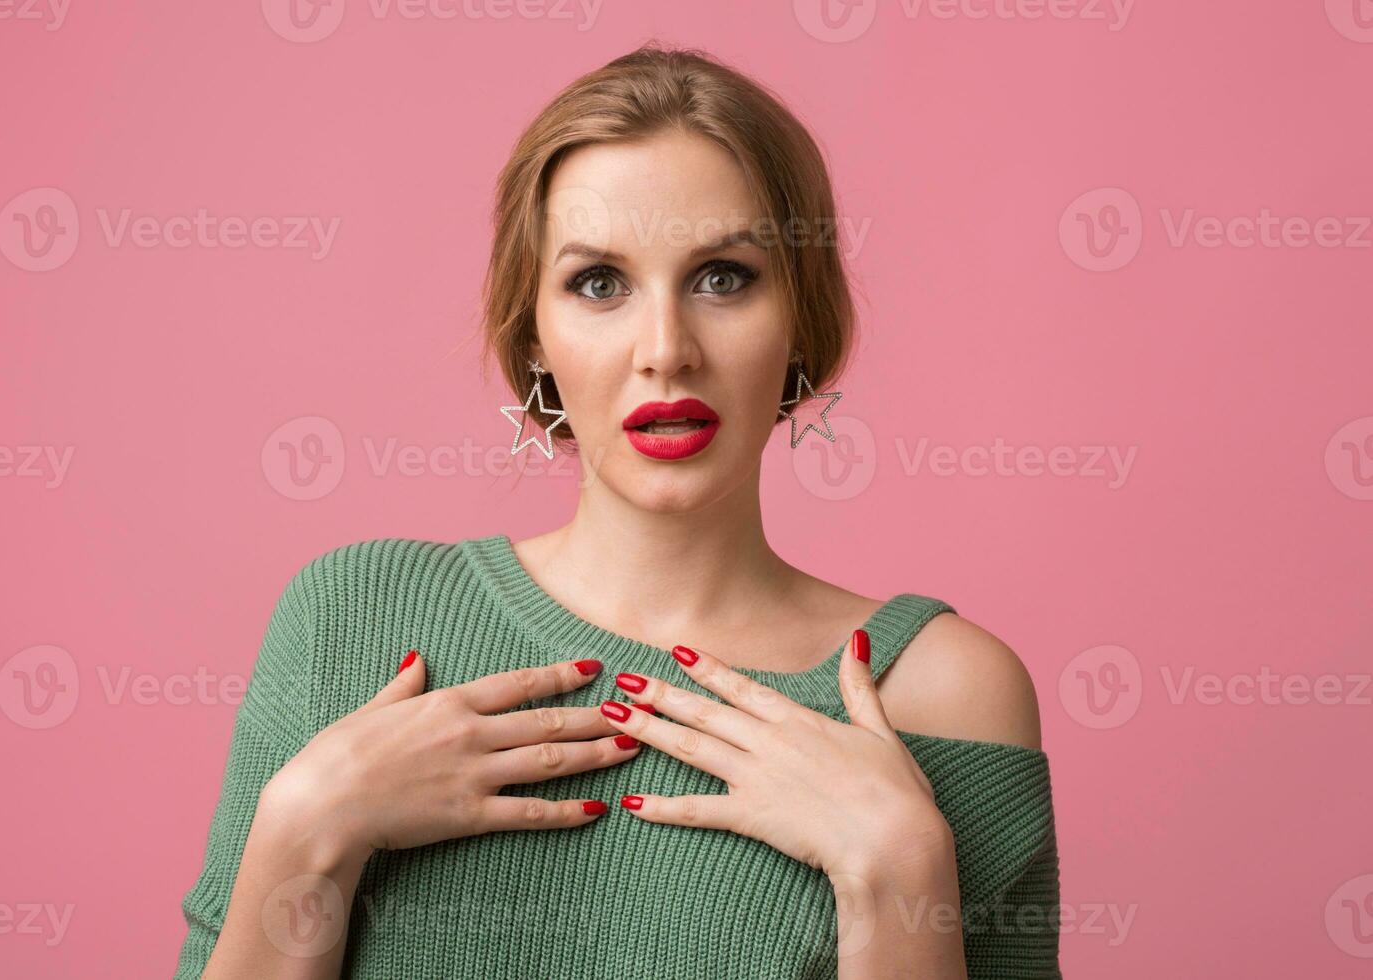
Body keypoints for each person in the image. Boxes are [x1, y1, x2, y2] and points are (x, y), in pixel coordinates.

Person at [174, 41, 1061, 980]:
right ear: (535, 336)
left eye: (724, 276)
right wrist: (304, 827)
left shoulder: (941, 691)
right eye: (599, 283)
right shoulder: (349, 620)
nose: (666, 349)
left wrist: (897, 870)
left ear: (801, 316)